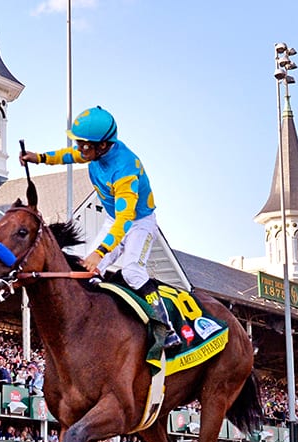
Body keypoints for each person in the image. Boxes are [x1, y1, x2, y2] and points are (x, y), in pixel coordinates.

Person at [20, 106, 181, 348]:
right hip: (113, 218)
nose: (81, 149)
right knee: (88, 270)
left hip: (138, 223)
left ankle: (165, 327)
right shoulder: (93, 151)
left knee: (131, 271)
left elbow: (125, 220)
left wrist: (101, 252)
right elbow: (67, 155)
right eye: (81, 143)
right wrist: (39, 158)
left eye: (85, 145)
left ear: (103, 145)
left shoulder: (124, 169)